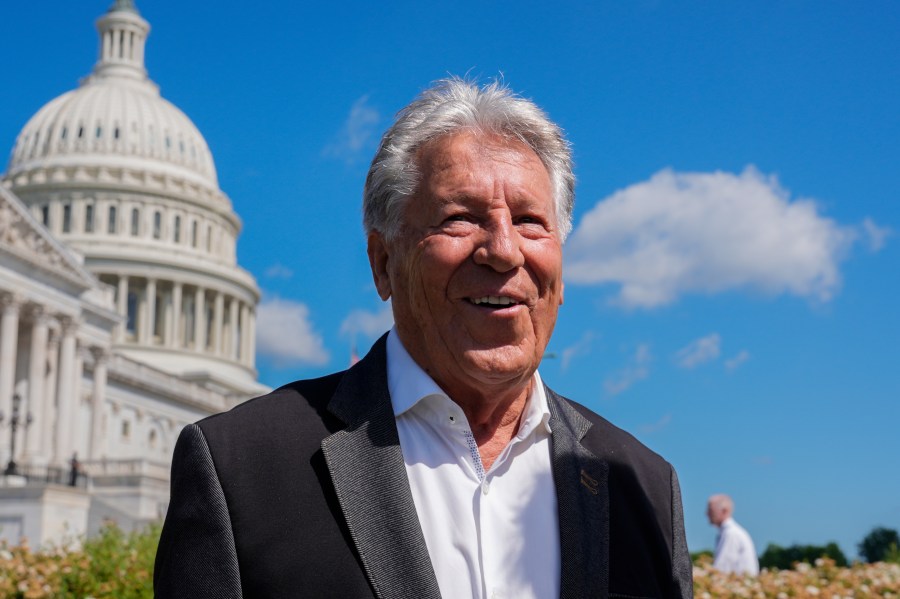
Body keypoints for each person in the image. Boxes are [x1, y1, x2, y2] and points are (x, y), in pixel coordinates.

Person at [154, 78, 693, 599]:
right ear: (384, 263)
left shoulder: (643, 487)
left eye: (530, 221)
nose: (504, 251)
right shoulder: (242, 467)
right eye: (460, 219)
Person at [707, 494, 759, 575]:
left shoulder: (731, 534)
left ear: (724, 511)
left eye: (711, 510)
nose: (707, 514)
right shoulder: (730, 532)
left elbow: (721, 568)